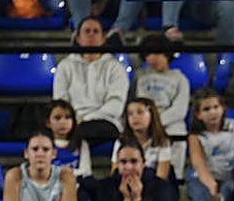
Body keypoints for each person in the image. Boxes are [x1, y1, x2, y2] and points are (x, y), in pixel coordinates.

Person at [53, 16, 130, 147]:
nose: (91, 35)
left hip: (106, 121)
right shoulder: (65, 66)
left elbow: (116, 105)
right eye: (87, 31)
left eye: (96, 31)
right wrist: (72, 120)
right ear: (78, 38)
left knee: (91, 131)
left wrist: (85, 119)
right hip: (72, 122)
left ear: (103, 38)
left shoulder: (116, 67)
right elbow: (61, 100)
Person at [133, 36, 191, 175]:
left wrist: (157, 122)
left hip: (170, 122)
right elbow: (137, 103)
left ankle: (175, 177)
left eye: (157, 53)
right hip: (145, 120)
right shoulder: (140, 77)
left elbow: (179, 110)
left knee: (178, 134)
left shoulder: (180, 79)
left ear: (166, 54)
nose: (152, 58)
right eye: (148, 54)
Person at [185, 88, 234, 201]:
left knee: (228, 188)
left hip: (228, 178)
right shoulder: (195, 137)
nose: (212, 112)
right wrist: (212, 187)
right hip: (201, 179)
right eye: (206, 109)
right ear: (198, 115)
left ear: (222, 108)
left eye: (216, 107)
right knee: (202, 194)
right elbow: (199, 165)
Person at [112, 97, 173, 181]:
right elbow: (115, 172)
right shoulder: (120, 142)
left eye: (140, 112)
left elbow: (161, 178)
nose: (135, 117)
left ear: (152, 114)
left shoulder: (162, 142)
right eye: (130, 114)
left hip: (153, 186)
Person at [43, 99, 93, 179]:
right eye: (57, 118)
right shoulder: (42, 144)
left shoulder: (81, 144)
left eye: (68, 117)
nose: (63, 122)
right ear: (48, 123)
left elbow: (86, 171)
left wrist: (70, 172)